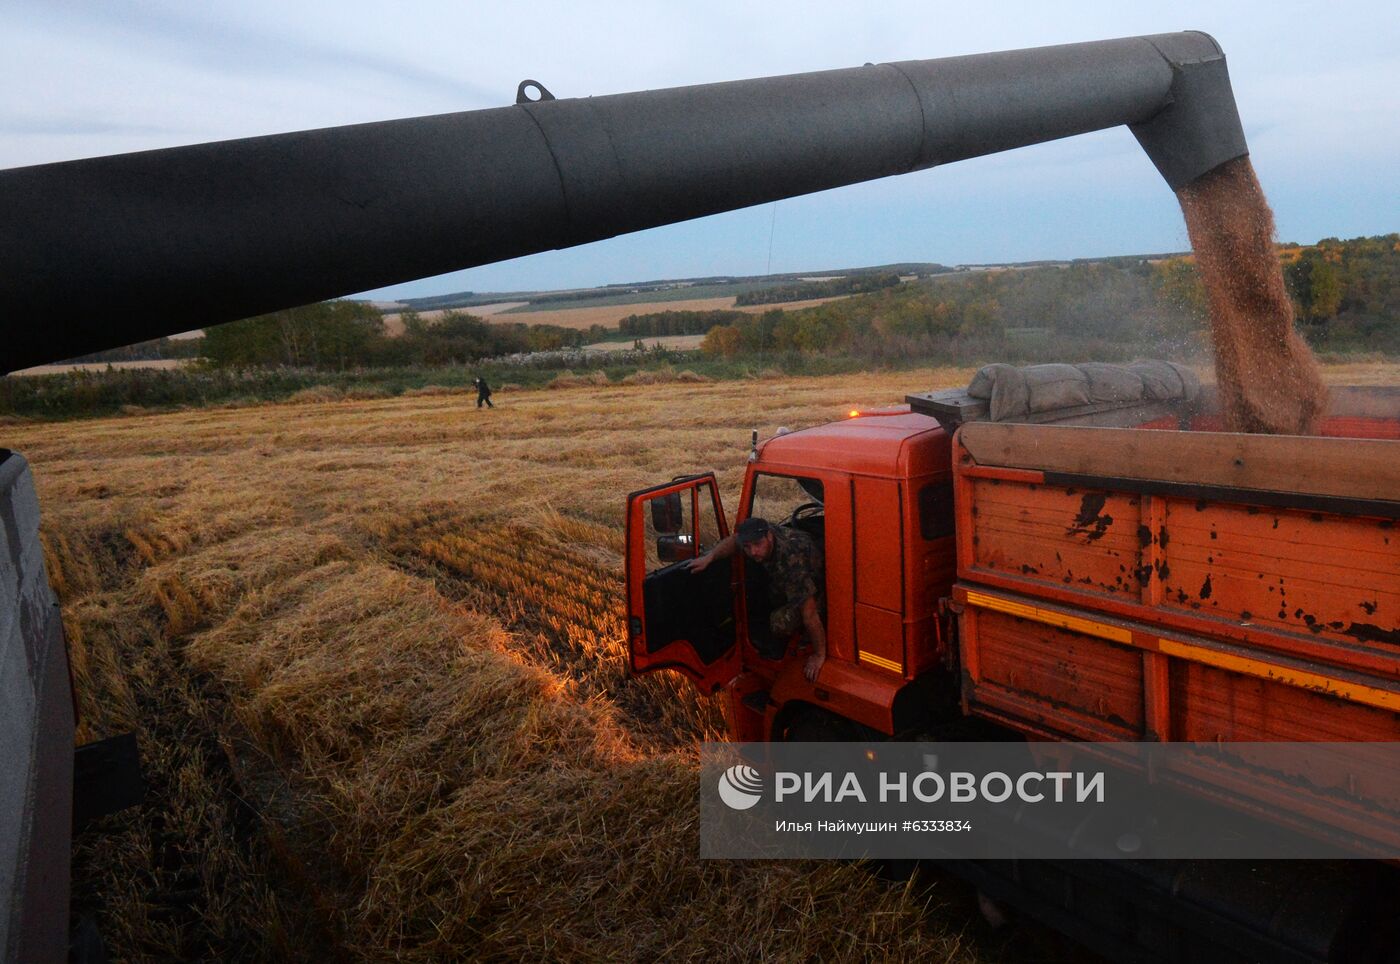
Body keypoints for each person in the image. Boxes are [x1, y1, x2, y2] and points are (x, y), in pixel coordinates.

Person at [687, 517, 826, 681]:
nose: (753, 552)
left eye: (757, 545)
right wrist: (709, 557)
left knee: (779, 623)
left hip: (820, 587)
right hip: (789, 580)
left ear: (769, 536)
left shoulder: (791, 560)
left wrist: (818, 654)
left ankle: (806, 640)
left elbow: (809, 615)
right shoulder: (760, 534)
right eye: (747, 547)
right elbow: (733, 540)